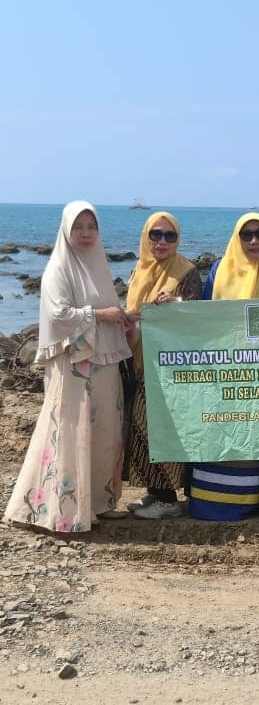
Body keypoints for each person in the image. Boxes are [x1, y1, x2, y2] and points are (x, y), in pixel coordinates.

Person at [4, 201, 131, 533]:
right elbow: (59, 314)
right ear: (65, 230)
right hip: (74, 366)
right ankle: (65, 510)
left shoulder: (97, 266)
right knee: (73, 433)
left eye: (92, 227)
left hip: (102, 363)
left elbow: (110, 309)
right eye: (78, 227)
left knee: (104, 433)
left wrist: (125, 317)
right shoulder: (58, 269)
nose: (86, 234)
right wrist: (101, 315)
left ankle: (99, 503)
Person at [188, 213, 259, 521]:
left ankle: (249, 503)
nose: (254, 240)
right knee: (218, 433)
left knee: (252, 439)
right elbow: (205, 317)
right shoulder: (219, 270)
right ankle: (206, 503)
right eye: (246, 234)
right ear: (237, 237)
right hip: (221, 372)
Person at [125, 211, 202, 520]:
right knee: (140, 428)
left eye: (169, 236)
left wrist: (174, 305)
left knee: (161, 429)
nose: (162, 241)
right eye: (156, 234)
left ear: (178, 239)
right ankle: (155, 492)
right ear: (147, 237)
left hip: (169, 367)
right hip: (138, 360)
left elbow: (196, 316)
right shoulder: (139, 269)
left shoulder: (187, 271)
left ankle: (169, 499)